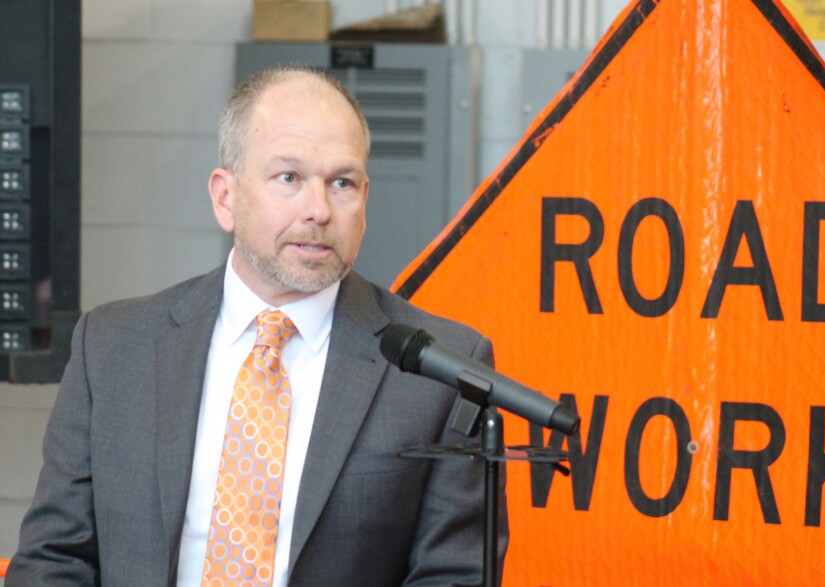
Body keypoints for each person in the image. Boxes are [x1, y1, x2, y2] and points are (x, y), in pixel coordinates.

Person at [7, 64, 507, 586]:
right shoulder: (111, 348)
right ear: (225, 197)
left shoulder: (440, 370)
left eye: (342, 183)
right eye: (288, 178)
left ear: (364, 201)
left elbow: (453, 577)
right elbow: (53, 560)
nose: (318, 209)